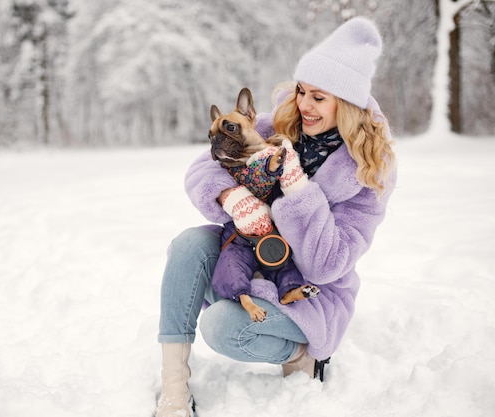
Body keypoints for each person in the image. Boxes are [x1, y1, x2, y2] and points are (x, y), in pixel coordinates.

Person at [155, 17, 397, 417]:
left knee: (222, 326)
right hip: (249, 260)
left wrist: (298, 189)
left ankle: (302, 353)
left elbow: (327, 265)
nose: (303, 105)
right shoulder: (280, 123)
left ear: (347, 104)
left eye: (318, 97)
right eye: (302, 91)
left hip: (308, 293)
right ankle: (174, 388)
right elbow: (201, 170)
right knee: (190, 244)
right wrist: (231, 196)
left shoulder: (368, 171)